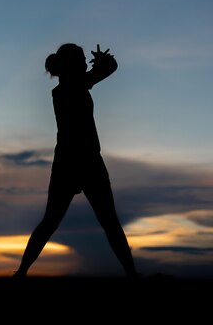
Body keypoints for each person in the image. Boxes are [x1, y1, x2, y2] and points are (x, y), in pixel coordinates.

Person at [14, 43, 138, 278]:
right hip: (77, 163)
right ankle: (21, 272)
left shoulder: (73, 85)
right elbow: (109, 68)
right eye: (81, 59)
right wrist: (102, 61)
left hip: (76, 162)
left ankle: (21, 273)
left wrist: (102, 63)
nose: (84, 63)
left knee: (56, 222)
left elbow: (107, 69)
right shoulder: (70, 87)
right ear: (71, 65)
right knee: (101, 223)